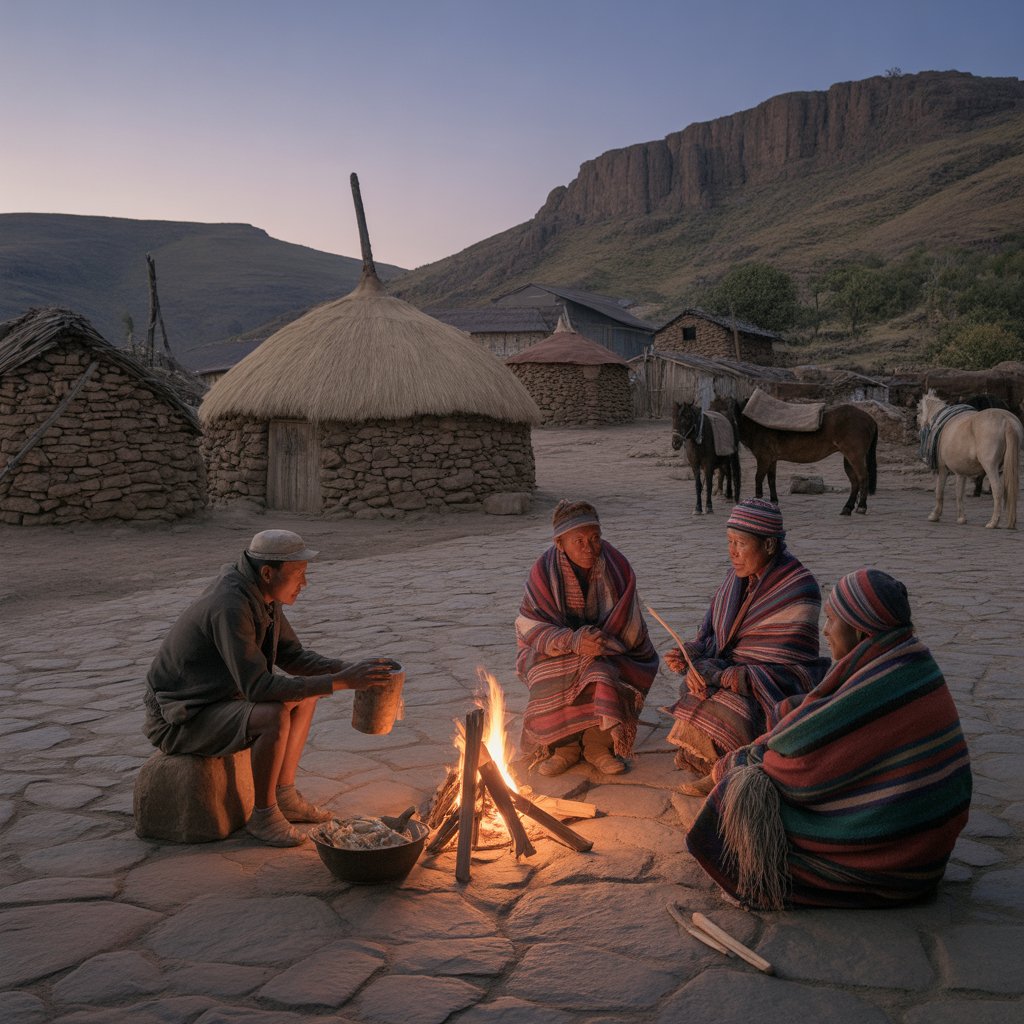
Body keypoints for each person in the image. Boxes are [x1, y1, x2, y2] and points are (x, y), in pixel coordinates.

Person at [685, 568, 973, 909]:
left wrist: (743, 761)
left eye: (833, 620)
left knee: (741, 795)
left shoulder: (877, 683)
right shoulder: (907, 659)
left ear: (860, 629)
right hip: (924, 854)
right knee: (765, 736)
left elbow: (803, 769)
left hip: (896, 859)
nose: (825, 630)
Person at [143, 529, 397, 847]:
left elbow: (294, 657)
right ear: (267, 572)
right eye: (299, 575)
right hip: (181, 717)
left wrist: (348, 668)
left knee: (306, 695)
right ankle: (263, 816)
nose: (304, 584)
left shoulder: (261, 595)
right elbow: (257, 687)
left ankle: (284, 794)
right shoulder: (231, 606)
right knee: (273, 714)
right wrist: (345, 681)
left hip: (216, 700)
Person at [663, 498, 829, 787]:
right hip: (735, 672)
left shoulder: (799, 588)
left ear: (769, 545)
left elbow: (785, 667)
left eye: (740, 543)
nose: (732, 552)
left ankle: (733, 770)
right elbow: (713, 636)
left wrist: (717, 674)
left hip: (775, 683)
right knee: (693, 687)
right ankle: (714, 762)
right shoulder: (734, 579)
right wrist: (690, 654)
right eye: (729, 541)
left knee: (728, 706)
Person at [516, 499, 659, 776]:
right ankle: (564, 747)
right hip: (553, 647)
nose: (589, 548)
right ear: (560, 543)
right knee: (546, 673)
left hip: (609, 645)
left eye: (594, 539)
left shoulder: (617, 566)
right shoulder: (543, 570)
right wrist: (572, 642)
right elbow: (530, 624)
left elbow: (629, 624)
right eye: (578, 540)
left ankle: (598, 746)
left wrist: (597, 643)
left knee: (603, 671)